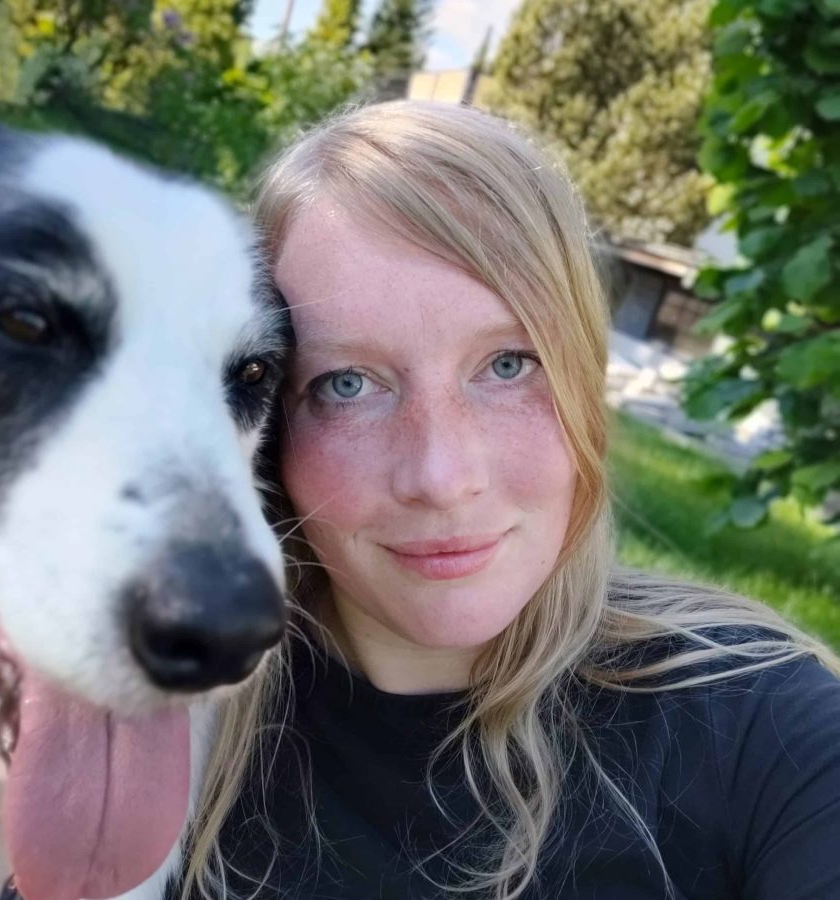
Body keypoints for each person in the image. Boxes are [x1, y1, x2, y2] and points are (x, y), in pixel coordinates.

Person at [166, 101, 840, 900]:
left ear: (584, 376)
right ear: (271, 424)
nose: (443, 476)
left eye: (509, 364)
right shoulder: (160, 713)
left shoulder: (765, 728)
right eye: (347, 385)